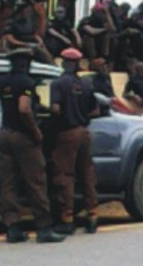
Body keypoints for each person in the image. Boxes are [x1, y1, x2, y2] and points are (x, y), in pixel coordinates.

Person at [0, 49, 65, 244]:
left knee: (8, 183)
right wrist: (35, 131)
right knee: (36, 181)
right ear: (27, 63)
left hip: (5, 134)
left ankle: (13, 228)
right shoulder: (26, 83)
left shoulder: (2, 81)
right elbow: (24, 108)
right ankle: (44, 227)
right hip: (23, 137)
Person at [51, 48, 99, 235]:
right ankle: (93, 215)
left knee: (65, 175)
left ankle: (67, 218)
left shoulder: (58, 83)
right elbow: (95, 110)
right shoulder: (86, 84)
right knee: (87, 175)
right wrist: (81, 114)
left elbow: (55, 109)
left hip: (66, 134)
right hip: (84, 133)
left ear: (63, 63)